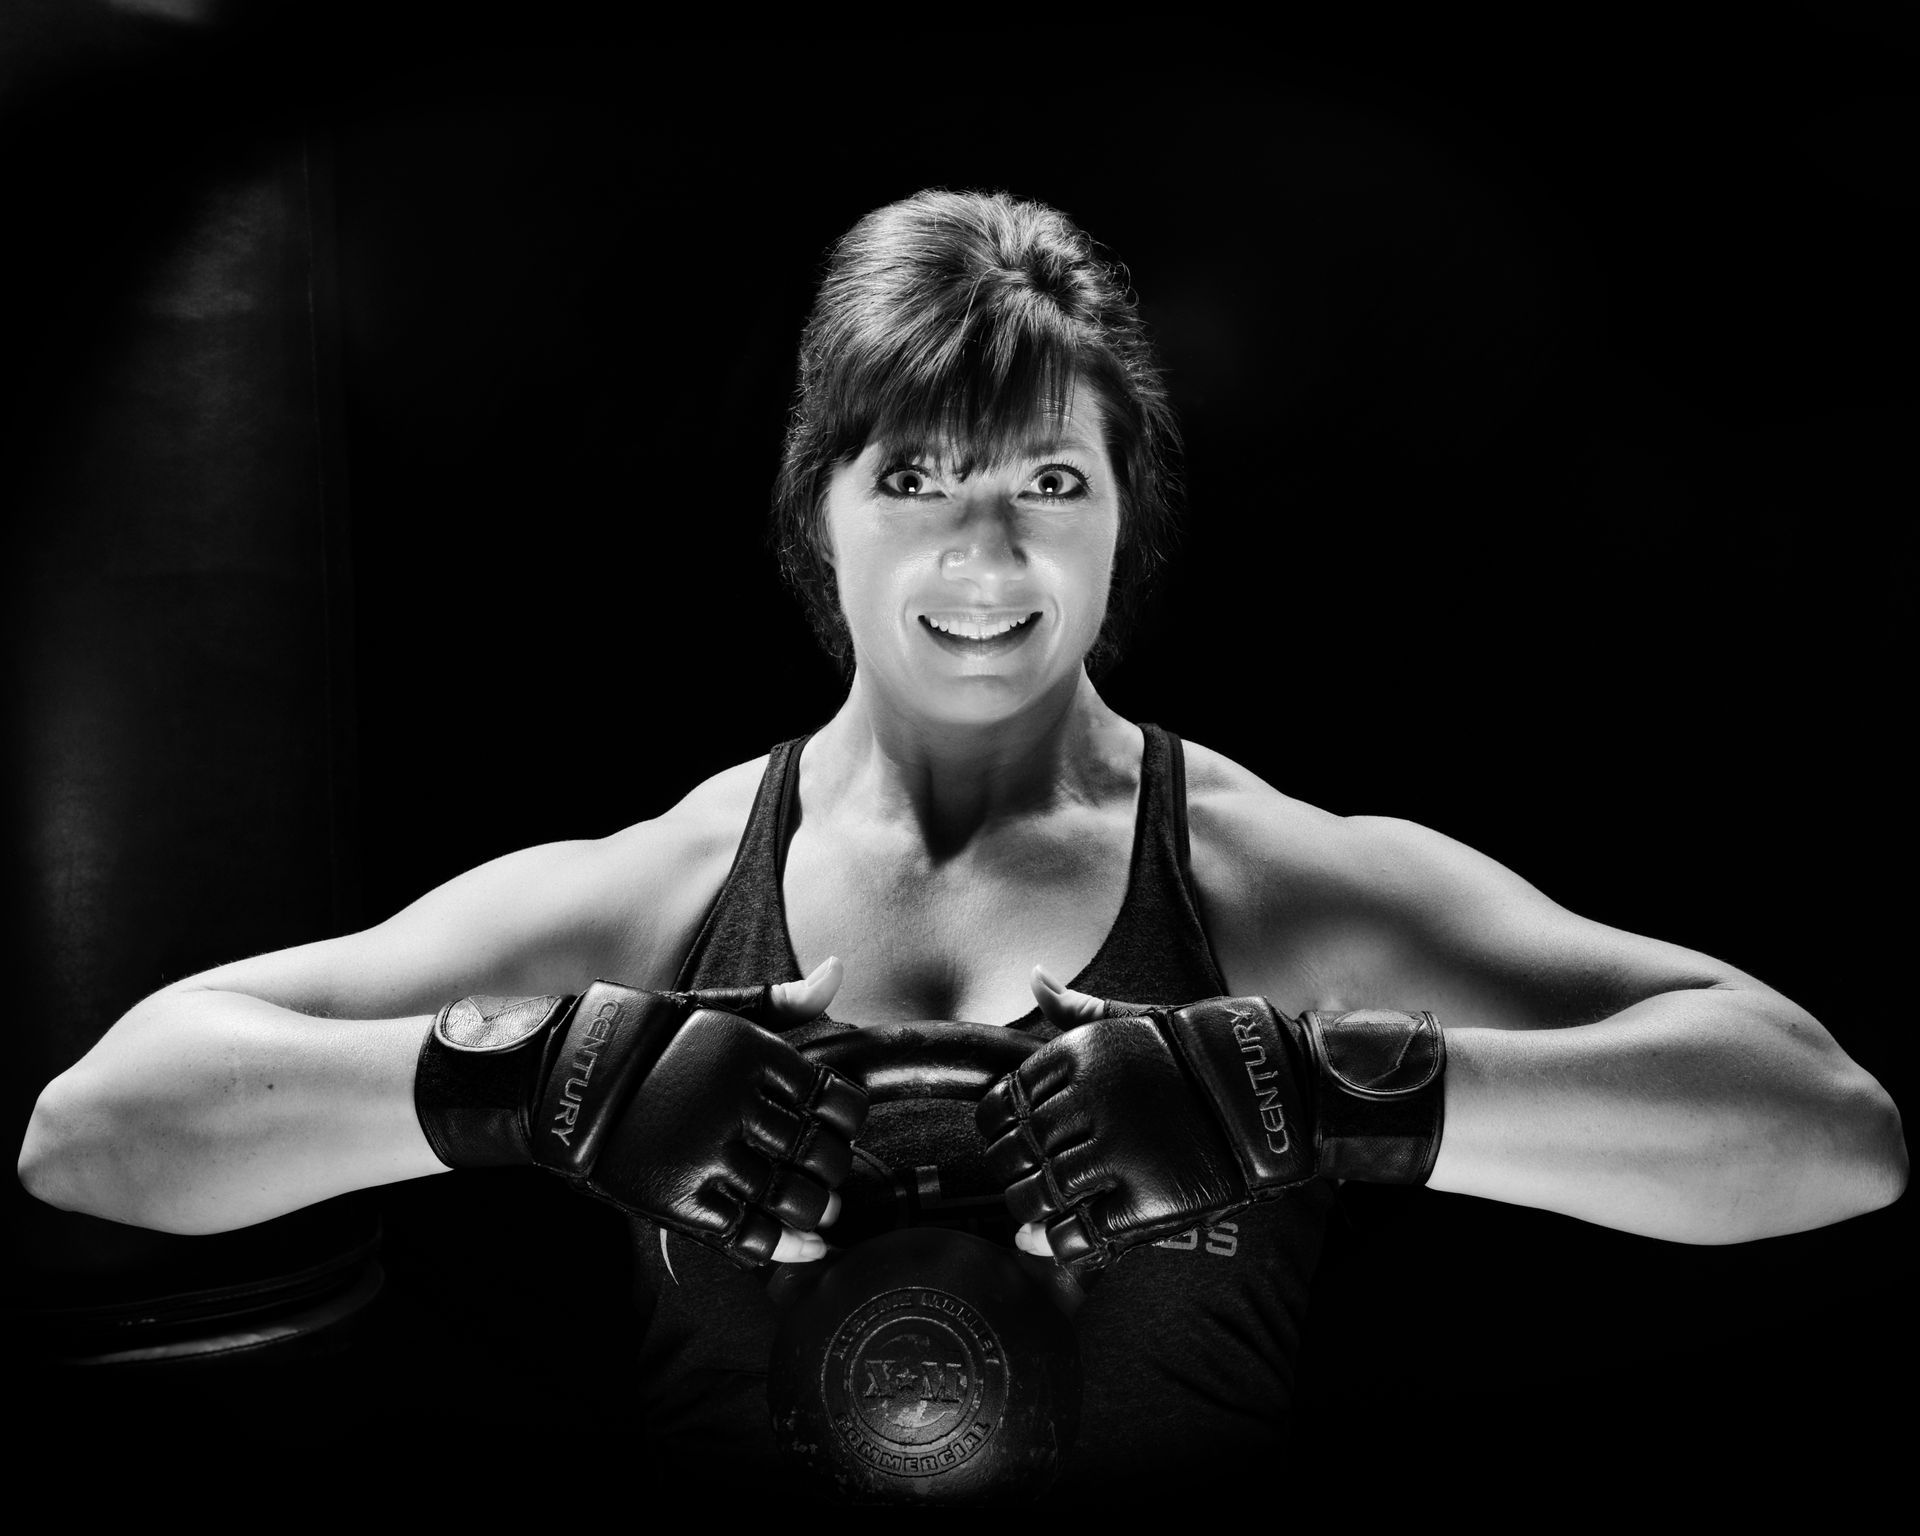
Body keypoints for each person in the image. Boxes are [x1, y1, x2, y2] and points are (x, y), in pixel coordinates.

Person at [17, 188, 1907, 1498]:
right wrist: (544, 1086)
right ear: (819, 509)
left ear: (1123, 513)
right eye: (914, 475)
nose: (983, 555)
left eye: (1047, 481)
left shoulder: (1256, 880)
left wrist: (1307, 1096)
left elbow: (1825, 1130)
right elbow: (95, 1134)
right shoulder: (670, 888)